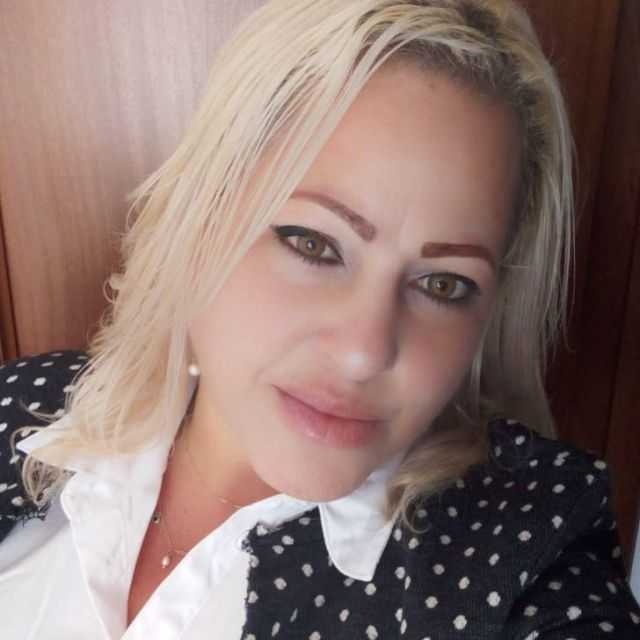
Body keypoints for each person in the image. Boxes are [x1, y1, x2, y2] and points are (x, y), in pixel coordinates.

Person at [1, 0, 639, 637]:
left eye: (443, 284)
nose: (364, 351)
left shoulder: (522, 552)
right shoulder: (29, 408)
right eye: (314, 243)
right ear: (202, 215)